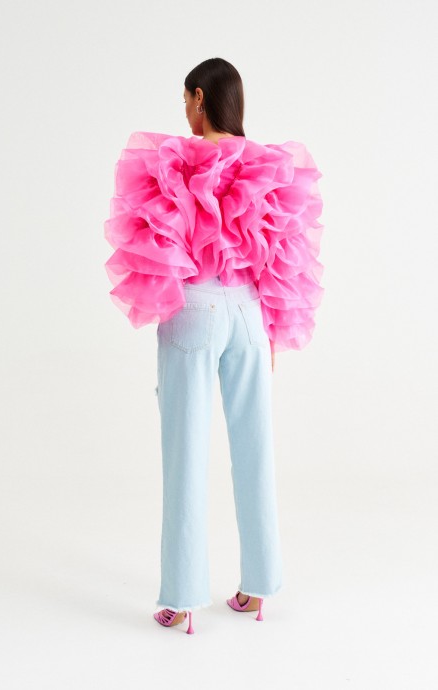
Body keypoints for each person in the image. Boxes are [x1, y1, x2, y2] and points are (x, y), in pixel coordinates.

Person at [104, 57, 324, 635]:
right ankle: (259, 587)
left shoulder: (175, 160)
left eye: (186, 99)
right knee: (256, 448)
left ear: (200, 97)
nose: (184, 111)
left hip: (195, 309)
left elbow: (156, 243)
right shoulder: (265, 163)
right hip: (250, 311)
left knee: (186, 452)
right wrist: (270, 326)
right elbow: (283, 252)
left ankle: (181, 599)